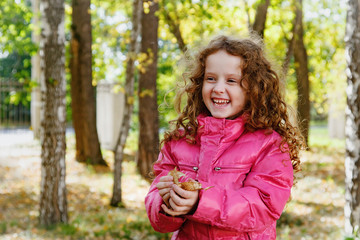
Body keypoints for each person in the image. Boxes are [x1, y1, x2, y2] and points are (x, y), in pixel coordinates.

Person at [145, 34, 305, 240]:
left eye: (232, 80)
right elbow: (156, 206)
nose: (218, 88)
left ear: (254, 89)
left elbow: (263, 206)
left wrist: (200, 202)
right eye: (210, 78)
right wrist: (167, 204)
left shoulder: (269, 144)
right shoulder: (179, 141)